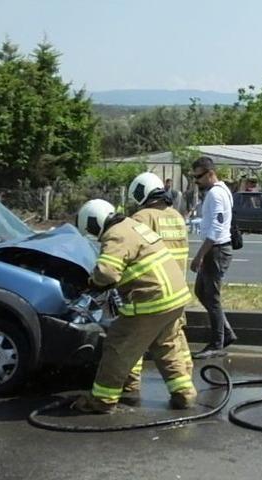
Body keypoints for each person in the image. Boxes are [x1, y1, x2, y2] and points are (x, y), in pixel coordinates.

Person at [70, 199, 196, 414]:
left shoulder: (116, 234)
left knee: (118, 345)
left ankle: (102, 400)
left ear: (96, 222)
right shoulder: (133, 225)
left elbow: (107, 272)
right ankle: (184, 394)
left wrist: (92, 282)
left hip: (152, 300)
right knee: (166, 344)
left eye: (91, 229)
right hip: (175, 298)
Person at [111, 172, 193, 406]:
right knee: (175, 338)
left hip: (152, 289)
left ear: (140, 193)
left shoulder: (141, 217)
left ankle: (131, 382)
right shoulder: (176, 216)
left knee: (135, 336)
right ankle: (185, 378)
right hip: (178, 288)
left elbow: (132, 250)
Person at [189, 156, 238, 359]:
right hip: (215, 249)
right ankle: (225, 332)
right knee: (201, 291)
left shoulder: (216, 194)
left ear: (210, 173)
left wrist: (199, 256)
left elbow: (216, 229)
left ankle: (217, 342)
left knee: (212, 297)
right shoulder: (219, 191)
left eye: (199, 176)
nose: (196, 181)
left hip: (216, 250)